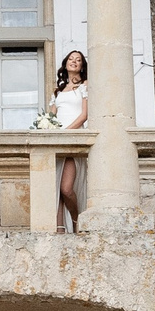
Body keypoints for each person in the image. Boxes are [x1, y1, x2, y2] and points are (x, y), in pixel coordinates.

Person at [52, 49, 88, 231]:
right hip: (57, 140)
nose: (74, 61)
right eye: (71, 59)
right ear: (65, 64)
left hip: (73, 138)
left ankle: (75, 220)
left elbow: (84, 115)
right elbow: (51, 117)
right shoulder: (58, 91)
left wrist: (66, 132)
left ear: (82, 66)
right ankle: (59, 227)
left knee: (66, 188)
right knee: (56, 187)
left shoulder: (85, 86)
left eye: (78, 60)